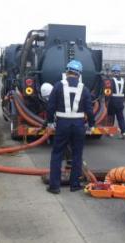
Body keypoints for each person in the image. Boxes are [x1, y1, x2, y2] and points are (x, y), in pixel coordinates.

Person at [46, 60, 95, 194]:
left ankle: (54, 186)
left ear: (67, 71)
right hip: (79, 125)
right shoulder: (84, 89)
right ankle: (74, 184)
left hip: (62, 124)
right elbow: (90, 110)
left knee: (57, 154)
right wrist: (91, 125)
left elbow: (50, 106)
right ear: (79, 74)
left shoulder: (58, 86)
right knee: (77, 154)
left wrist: (50, 122)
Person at [108, 64, 125, 139]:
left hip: (113, 100)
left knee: (111, 116)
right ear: (119, 72)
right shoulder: (124, 81)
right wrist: (123, 100)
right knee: (120, 117)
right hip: (120, 101)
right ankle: (123, 132)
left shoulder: (111, 80)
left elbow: (109, 91)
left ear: (113, 72)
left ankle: (110, 132)